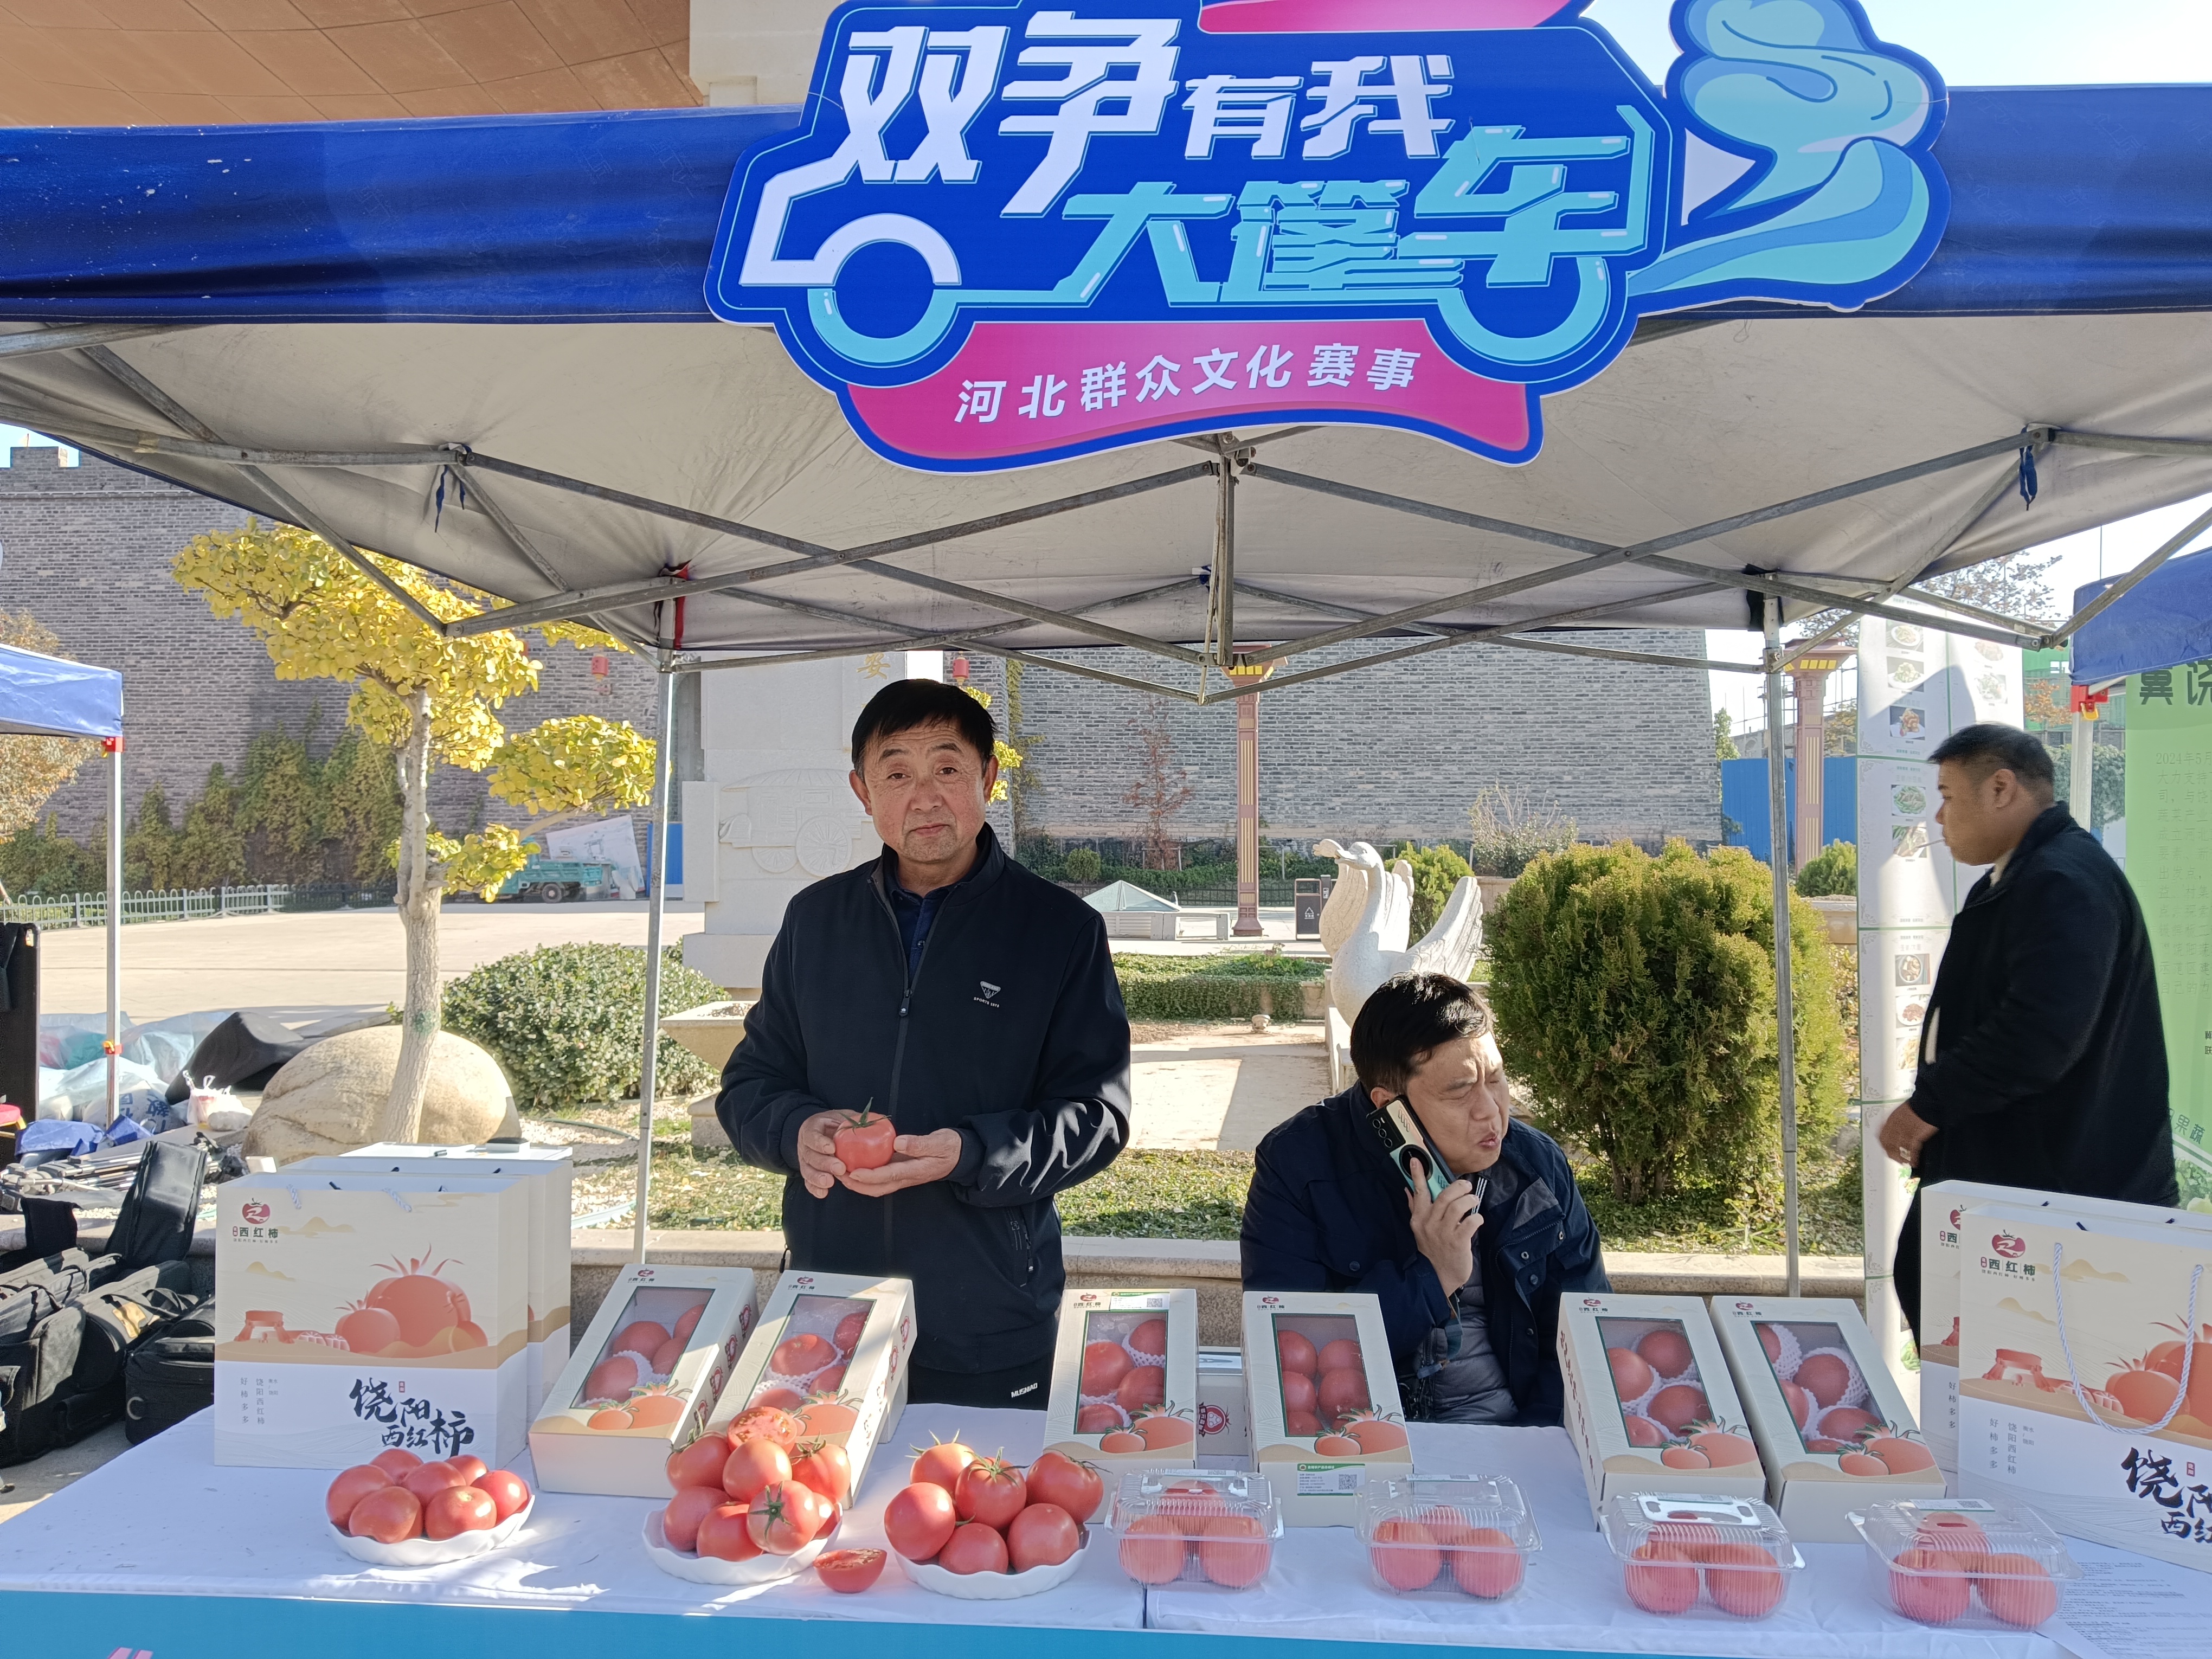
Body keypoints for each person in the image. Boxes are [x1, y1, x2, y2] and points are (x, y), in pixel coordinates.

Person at [719, 678, 1131, 1407]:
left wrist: (971, 1153)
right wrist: (794, 1131)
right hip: (831, 1305)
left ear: (988, 778)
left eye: (947, 768)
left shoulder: (1057, 931)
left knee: (977, 1479)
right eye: (897, 774)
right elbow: (752, 1081)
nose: (925, 797)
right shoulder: (816, 920)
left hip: (989, 1315)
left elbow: (1097, 1115)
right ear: (862, 791)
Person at [1877, 722, 2176, 1340]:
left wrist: (1927, 1108)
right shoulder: (2024, 876)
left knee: (2017, 1357)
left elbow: (2039, 1034)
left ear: (2001, 788)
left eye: (1948, 795)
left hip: (2061, 1192)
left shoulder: (2062, 881)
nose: (1939, 816)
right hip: (2017, 1179)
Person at [1242, 972, 1606, 1425]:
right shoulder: (1300, 1165)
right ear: (1389, 1107)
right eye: (1461, 1091)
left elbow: (1586, 1331)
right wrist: (1432, 1276)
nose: (1491, 1111)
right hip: (1368, 1432)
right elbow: (1296, 1361)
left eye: (1495, 1079)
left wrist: (1536, 1440)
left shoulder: (1535, 1166)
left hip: (1520, 1428)